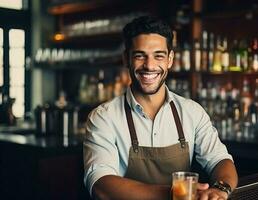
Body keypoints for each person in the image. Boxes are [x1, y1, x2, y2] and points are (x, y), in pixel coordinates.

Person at [83, 15, 238, 200]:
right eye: (140, 56)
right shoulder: (103, 118)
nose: (149, 65)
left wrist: (221, 188)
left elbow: (220, 159)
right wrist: (176, 192)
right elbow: (101, 183)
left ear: (170, 59)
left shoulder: (191, 112)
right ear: (126, 59)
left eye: (159, 56)